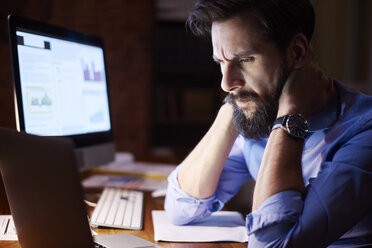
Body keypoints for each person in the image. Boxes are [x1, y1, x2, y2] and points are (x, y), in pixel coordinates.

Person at [164, 0, 372, 247]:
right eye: (220, 62)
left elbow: (271, 244)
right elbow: (181, 207)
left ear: (297, 52)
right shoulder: (261, 117)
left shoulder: (363, 132)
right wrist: (231, 108)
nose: (225, 82)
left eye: (244, 59)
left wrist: (291, 116)